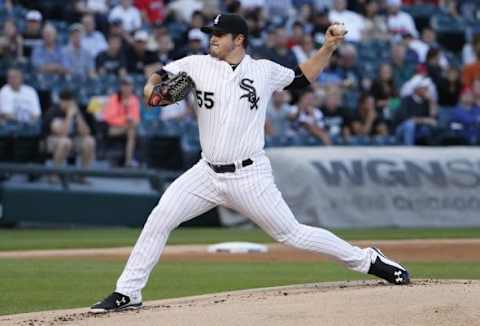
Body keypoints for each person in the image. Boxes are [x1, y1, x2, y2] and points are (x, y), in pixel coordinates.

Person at [91, 14, 410, 313]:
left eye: (219, 34)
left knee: (292, 234)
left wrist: (327, 47)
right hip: (206, 172)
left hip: (249, 175)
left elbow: (301, 78)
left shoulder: (263, 70)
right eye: (210, 34)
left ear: (239, 39)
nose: (212, 39)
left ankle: (368, 260)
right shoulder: (196, 64)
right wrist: (151, 88)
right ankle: (128, 291)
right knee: (160, 218)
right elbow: (160, 74)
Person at [44, 89, 95, 170]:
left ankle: (82, 175)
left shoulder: (75, 111)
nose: (69, 104)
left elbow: (86, 132)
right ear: (60, 101)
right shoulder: (53, 111)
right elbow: (62, 133)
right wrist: (69, 116)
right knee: (65, 142)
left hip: (72, 140)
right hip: (52, 140)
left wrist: (78, 116)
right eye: (66, 101)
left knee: (89, 141)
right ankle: (54, 174)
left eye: (71, 102)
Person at [102, 77, 140, 167]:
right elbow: (109, 118)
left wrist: (129, 121)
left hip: (127, 128)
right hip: (112, 128)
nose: (126, 88)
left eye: (128, 86)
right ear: (121, 87)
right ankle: (129, 160)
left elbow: (136, 119)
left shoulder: (134, 100)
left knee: (131, 131)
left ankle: (128, 161)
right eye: (124, 85)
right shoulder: (114, 98)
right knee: (130, 129)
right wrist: (125, 120)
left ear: (132, 87)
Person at [395, 77, 437, 145]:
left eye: (426, 88)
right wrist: (424, 120)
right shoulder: (406, 99)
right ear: (416, 89)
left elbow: (433, 119)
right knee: (409, 125)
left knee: (426, 129)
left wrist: (431, 102)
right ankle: (409, 148)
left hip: (418, 129)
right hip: (402, 130)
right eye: (424, 88)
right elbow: (406, 118)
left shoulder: (426, 101)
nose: (426, 90)